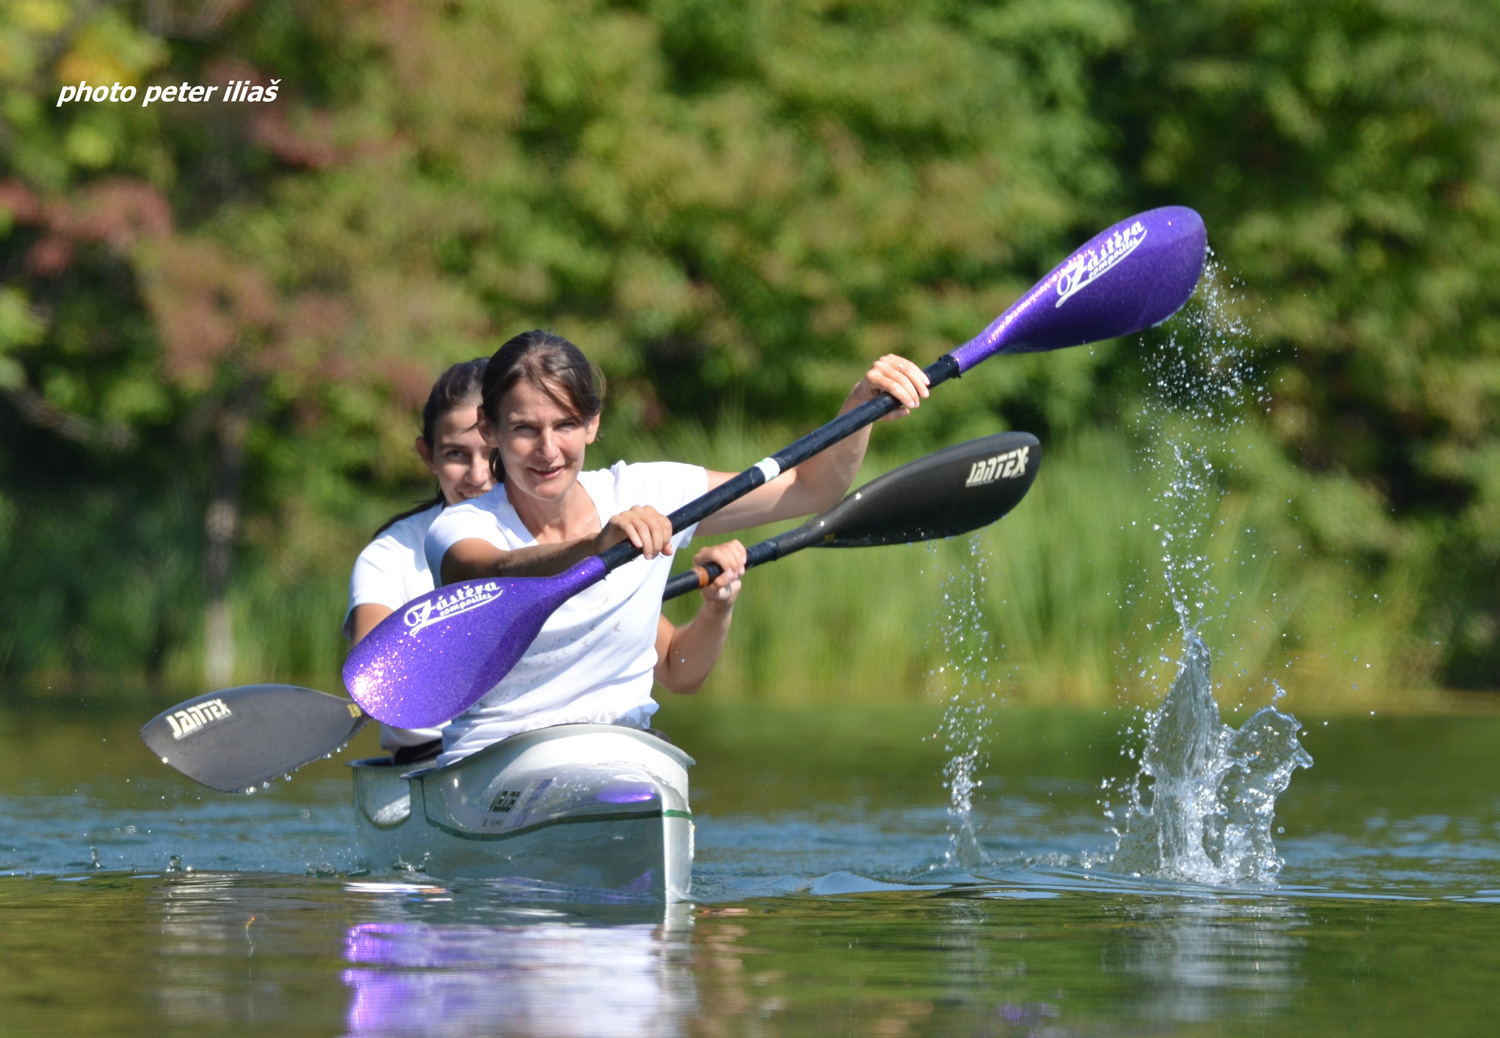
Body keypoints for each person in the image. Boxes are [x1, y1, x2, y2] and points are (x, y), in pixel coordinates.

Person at [424, 330, 928, 766]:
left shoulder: (649, 493)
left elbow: (810, 489)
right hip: (496, 760)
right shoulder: (461, 526)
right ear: (489, 430)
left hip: (625, 752)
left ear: (593, 424)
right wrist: (596, 547)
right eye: (524, 429)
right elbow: (486, 570)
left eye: (565, 425)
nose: (549, 450)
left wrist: (861, 405)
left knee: (651, 774)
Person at [345, 356, 745, 762]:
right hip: (445, 755)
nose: (480, 475)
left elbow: (676, 669)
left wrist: (716, 609)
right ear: (428, 456)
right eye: (455, 455)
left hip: (585, 752)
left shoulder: (565, 527)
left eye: (487, 455)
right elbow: (384, 679)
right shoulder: (396, 554)